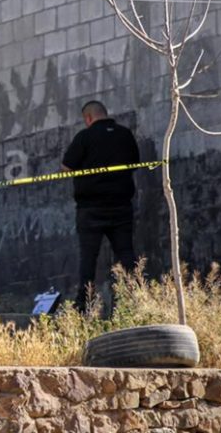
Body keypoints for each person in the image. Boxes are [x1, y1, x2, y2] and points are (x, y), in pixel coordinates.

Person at [61, 101, 140, 312]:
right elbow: (135, 162)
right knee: (126, 254)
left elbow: (66, 166)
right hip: (121, 206)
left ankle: (84, 305)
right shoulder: (124, 134)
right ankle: (136, 299)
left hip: (91, 209)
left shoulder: (84, 137)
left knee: (88, 258)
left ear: (88, 118)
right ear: (105, 114)